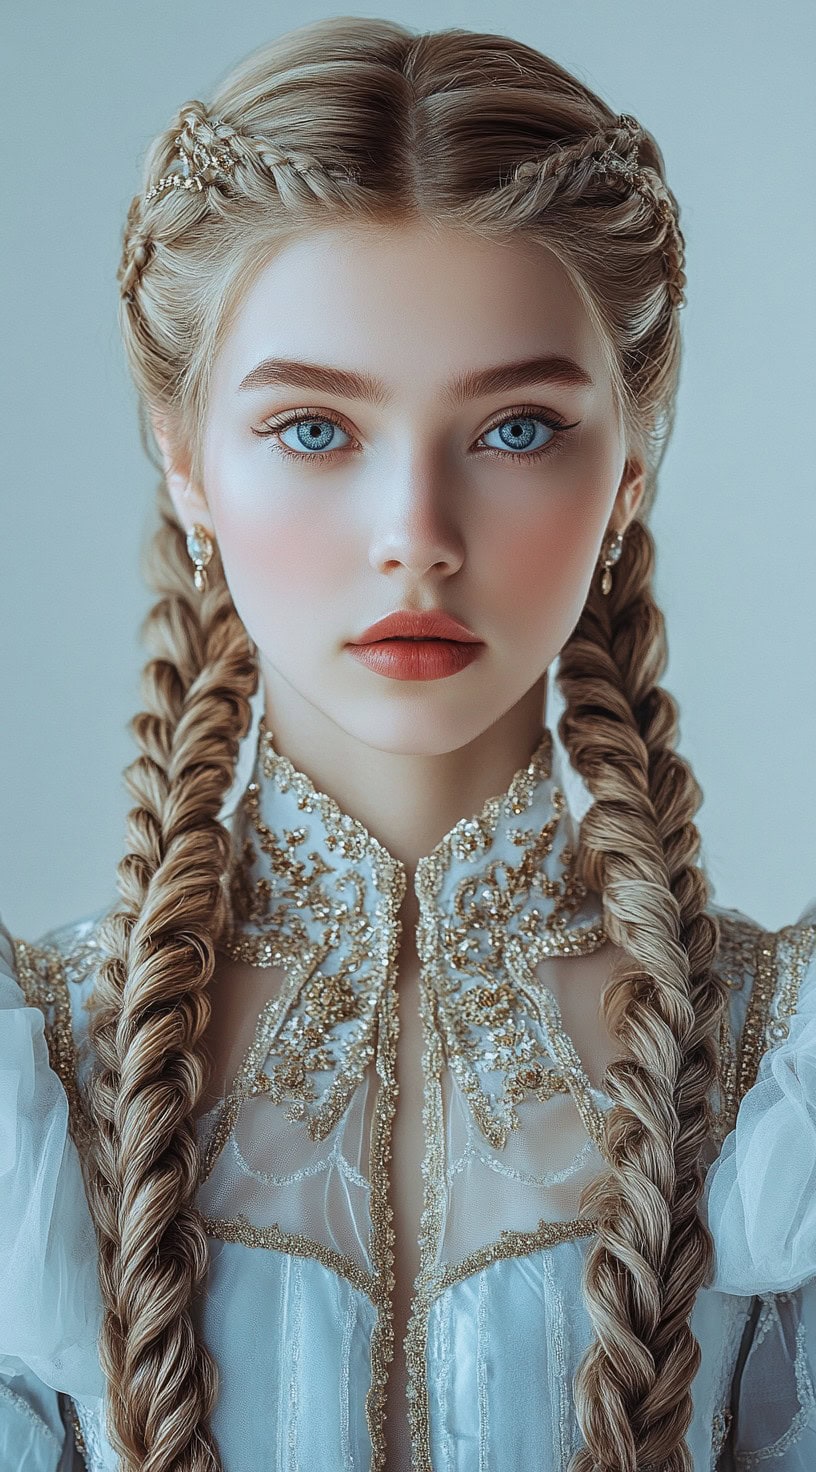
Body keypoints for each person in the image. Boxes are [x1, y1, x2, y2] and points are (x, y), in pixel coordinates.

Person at [1, 16, 814, 1472]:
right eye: (315, 429)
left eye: (514, 430)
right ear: (185, 461)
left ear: (628, 465)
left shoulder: (780, 1073)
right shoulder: (38, 1075)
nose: (417, 543)